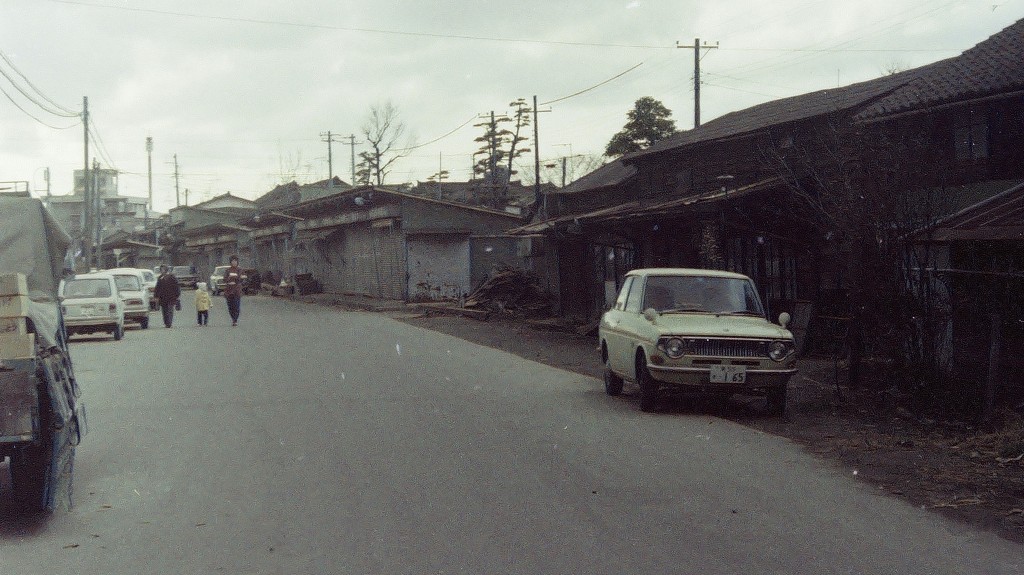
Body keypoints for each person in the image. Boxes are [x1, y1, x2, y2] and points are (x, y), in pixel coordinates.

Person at [223, 255, 244, 326]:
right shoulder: (227, 270)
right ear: (230, 262)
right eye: (233, 261)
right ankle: (233, 318)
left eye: (235, 261)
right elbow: (224, 279)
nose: (234, 262)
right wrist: (229, 278)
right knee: (230, 306)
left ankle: (235, 320)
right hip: (229, 290)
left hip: (237, 290)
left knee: (236, 306)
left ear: (237, 262)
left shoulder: (240, 270)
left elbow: (241, 279)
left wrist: (236, 277)